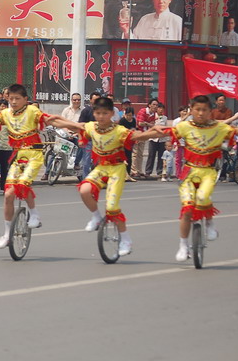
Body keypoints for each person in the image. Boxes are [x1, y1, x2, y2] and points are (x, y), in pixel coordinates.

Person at [61, 97, 165, 256]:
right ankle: (96, 217)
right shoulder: (91, 127)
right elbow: (72, 125)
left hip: (116, 168)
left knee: (112, 207)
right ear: (94, 113)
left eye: (104, 113)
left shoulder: (119, 131)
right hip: (101, 167)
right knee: (84, 190)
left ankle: (126, 239)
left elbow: (137, 136)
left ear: (111, 114)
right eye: (98, 113)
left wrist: (153, 131)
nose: (101, 116)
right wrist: (48, 120)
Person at [169, 95, 238, 262]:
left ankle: (210, 223)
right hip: (188, 172)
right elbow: (160, 131)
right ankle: (183, 245)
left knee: (202, 197)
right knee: (187, 210)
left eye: (204, 110)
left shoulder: (219, 127)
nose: (200, 113)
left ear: (210, 111)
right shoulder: (183, 127)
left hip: (208, 172)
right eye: (197, 110)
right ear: (191, 110)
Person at [0, 84, 77, 249]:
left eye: (18, 98)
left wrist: (78, 126)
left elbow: (52, 119)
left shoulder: (32, 111)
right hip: (18, 156)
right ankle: (6, 233)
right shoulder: (5, 113)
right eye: (11, 99)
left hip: (34, 156)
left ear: (26, 100)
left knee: (23, 184)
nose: (14, 102)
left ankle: (34, 214)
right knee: (8, 194)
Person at [133, 98, 158, 177]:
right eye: (153, 104)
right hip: (137, 133)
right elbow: (140, 123)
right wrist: (149, 124)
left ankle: (139, 170)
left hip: (144, 134)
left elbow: (150, 123)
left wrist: (148, 125)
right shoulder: (143, 111)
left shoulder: (153, 114)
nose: (155, 106)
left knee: (140, 154)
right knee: (135, 153)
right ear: (149, 105)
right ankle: (133, 171)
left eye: (156, 105)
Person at [144, 103, 168, 177]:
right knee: (151, 155)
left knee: (161, 156)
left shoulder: (165, 118)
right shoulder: (152, 116)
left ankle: (160, 171)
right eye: (159, 108)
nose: (161, 110)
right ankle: (148, 171)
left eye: (162, 108)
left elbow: (166, 128)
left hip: (162, 139)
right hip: (153, 139)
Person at [117, 107, 137, 181]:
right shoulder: (122, 120)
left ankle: (128, 175)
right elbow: (119, 131)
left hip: (130, 141)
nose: (129, 117)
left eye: (130, 115)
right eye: (127, 115)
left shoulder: (134, 120)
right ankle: (122, 175)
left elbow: (134, 129)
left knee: (129, 158)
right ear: (125, 114)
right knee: (122, 158)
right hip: (122, 142)